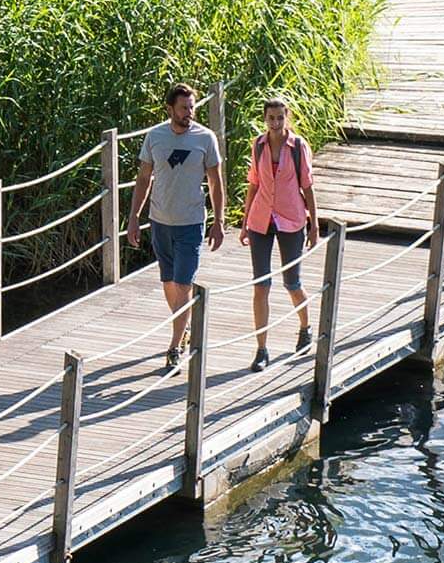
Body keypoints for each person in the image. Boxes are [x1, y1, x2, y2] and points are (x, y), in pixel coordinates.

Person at [128, 83, 224, 371]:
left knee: (183, 283)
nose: (189, 113)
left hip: (191, 223)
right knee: (169, 283)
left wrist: (219, 221)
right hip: (160, 222)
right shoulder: (155, 137)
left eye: (192, 107)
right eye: (184, 108)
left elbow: (216, 182)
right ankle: (184, 328)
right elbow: (144, 179)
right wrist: (134, 217)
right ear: (170, 109)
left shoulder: (205, 138)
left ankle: (173, 348)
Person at [241, 93, 320, 370]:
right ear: (265, 118)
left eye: (279, 117)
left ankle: (305, 327)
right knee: (260, 285)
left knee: (292, 282)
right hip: (261, 219)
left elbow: (307, 187)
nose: (275, 122)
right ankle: (261, 349)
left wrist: (314, 225)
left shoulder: (298, 146)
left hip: (291, 219)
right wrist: (244, 221)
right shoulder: (259, 145)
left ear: (287, 117)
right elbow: (253, 183)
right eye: (270, 118)